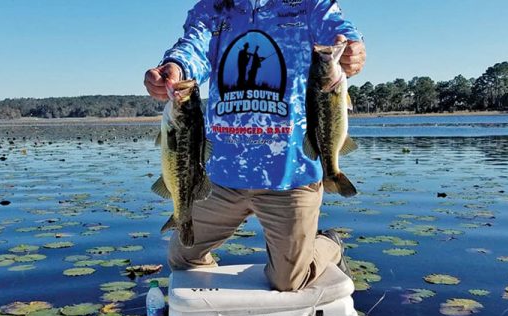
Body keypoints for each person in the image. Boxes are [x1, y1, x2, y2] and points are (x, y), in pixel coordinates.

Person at [144, 0, 366, 292]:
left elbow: (338, 32)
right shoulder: (212, 8)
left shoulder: (311, 4)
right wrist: (175, 68)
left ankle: (330, 245)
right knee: (183, 255)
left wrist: (351, 49)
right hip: (220, 176)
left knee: (289, 281)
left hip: (290, 173)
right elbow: (193, 48)